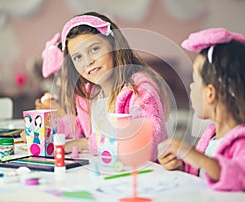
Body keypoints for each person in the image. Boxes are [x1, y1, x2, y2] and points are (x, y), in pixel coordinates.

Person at [158, 28, 245, 200]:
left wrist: (195, 156)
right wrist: (182, 167)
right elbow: (205, 177)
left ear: (210, 93)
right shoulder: (211, 137)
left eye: (194, 81)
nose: (191, 87)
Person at [55, 12, 169, 161]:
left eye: (94, 49)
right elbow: (82, 127)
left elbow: (146, 141)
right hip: (106, 171)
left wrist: (87, 143)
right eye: (78, 57)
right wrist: (53, 128)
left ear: (114, 46)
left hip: (141, 175)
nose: (88, 61)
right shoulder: (90, 94)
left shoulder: (140, 90)